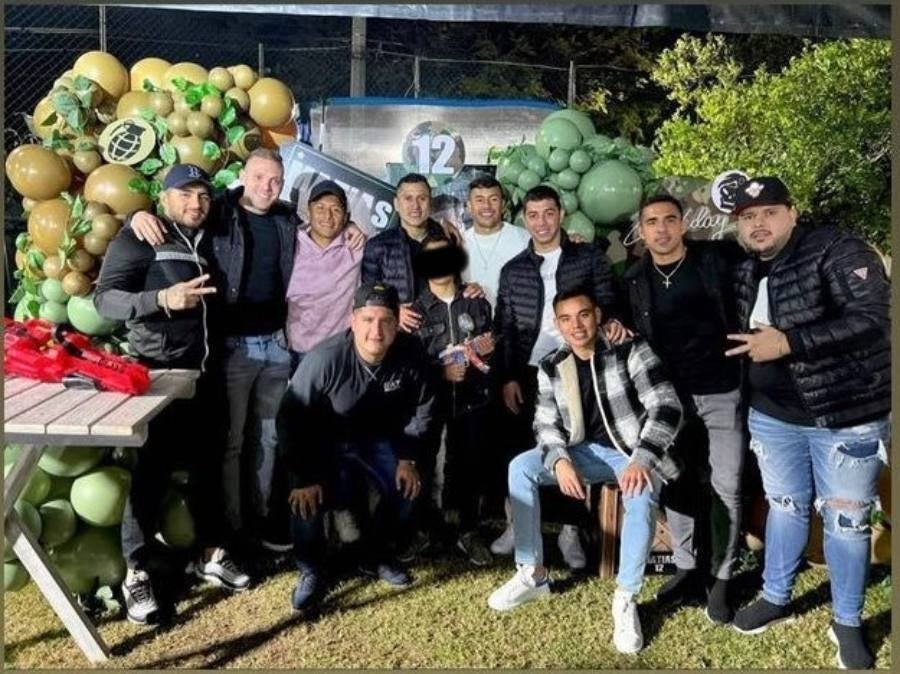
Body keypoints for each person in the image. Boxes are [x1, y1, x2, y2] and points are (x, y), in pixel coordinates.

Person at [128, 149, 366, 551]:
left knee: (270, 438)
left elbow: (325, 219)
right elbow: (179, 211)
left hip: (276, 346)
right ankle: (234, 531)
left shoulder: (287, 218)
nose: (266, 187)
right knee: (233, 442)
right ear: (243, 176)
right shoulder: (219, 210)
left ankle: (262, 522)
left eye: (274, 180)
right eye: (259, 178)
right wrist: (135, 215)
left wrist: (352, 223)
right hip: (235, 349)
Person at [725, 177, 890, 670]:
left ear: (792, 214)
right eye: (748, 217)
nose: (758, 223)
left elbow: (876, 317)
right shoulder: (746, 267)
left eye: (769, 212)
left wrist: (790, 342)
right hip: (773, 418)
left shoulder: (836, 249)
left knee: (845, 523)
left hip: (846, 417)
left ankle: (847, 621)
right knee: (785, 506)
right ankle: (776, 595)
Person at [487, 288, 682, 656]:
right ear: (557, 324)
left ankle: (626, 597)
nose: (576, 326)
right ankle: (532, 573)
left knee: (639, 496)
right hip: (581, 451)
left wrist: (643, 458)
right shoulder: (551, 364)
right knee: (521, 468)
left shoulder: (629, 349)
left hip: (631, 451)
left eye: (584, 315)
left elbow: (666, 407)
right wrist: (559, 460)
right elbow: (545, 423)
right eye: (566, 319)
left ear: (598, 315)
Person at [94, 164, 250, 625]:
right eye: (184, 195)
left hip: (201, 376)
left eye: (202, 195)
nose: (195, 204)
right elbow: (106, 300)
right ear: (164, 198)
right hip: (158, 376)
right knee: (152, 475)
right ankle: (136, 572)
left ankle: (207, 554)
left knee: (206, 467)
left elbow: (257, 199)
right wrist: (161, 299)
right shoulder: (141, 236)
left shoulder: (202, 236)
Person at [276, 282, 437, 613]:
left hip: (378, 440)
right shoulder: (325, 359)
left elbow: (424, 406)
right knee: (305, 497)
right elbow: (290, 420)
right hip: (324, 441)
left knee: (407, 489)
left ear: (396, 323)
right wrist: (303, 476)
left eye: (385, 321)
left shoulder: (410, 352)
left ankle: (374, 554)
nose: (375, 331)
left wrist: (409, 457)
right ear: (353, 321)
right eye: (367, 320)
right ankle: (311, 569)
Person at [624, 194, 745, 623]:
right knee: (676, 482)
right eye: (651, 222)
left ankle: (724, 577)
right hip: (670, 402)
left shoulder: (715, 260)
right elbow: (621, 326)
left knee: (727, 485)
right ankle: (687, 568)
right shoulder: (635, 277)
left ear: (683, 224)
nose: (660, 229)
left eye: (668, 220)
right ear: (641, 230)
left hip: (721, 391)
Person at [491, 185, 626, 568]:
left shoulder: (587, 257)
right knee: (521, 452)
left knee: (571, 448)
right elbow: (506, 327)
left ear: (561, 214)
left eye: (548, 213)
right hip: (529, 371)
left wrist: (612, 320)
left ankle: (570, 531)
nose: (541, 222)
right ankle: (518, 524)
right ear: (524, 219)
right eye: (532, 215)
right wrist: (508, 377)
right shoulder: (514, 269)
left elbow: (607, 300)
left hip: (575, 368)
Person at [411, 234, 496, 565]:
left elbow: (492, 344)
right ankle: (423, 530)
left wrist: (488, 349)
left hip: (474, 402)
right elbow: (408, 368)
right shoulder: (415, 312)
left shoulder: (476, 302)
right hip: (429, 406)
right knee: (425, 465)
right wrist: (439, 372)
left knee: (470, 466)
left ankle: (468, 530)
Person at [285, 179, 362, 372]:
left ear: (345, 216)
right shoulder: (289, 244)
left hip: (341, 351)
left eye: (336, 210)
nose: (327, 216)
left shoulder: (357, 246)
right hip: (297, 352)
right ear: (308, 212)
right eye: (320, 208)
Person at [361, 172, 450, 333]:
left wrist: (469, 289)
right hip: (399, 334)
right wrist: (394, 310)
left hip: (442, 330)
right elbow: (369, 294)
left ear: (430, 202)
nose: (415, 206)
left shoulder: (445, 240)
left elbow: (454, 284)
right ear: (396, 203)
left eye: (422, 198)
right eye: (408, 198)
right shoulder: (377, 246)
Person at [460, 175, 530, 309]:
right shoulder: (458, 243)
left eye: (493, 199)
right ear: (469, 206)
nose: (487, 206)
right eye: (479, 200)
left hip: (516, 324)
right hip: (474, 326)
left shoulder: (525, 239)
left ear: (503, 204)